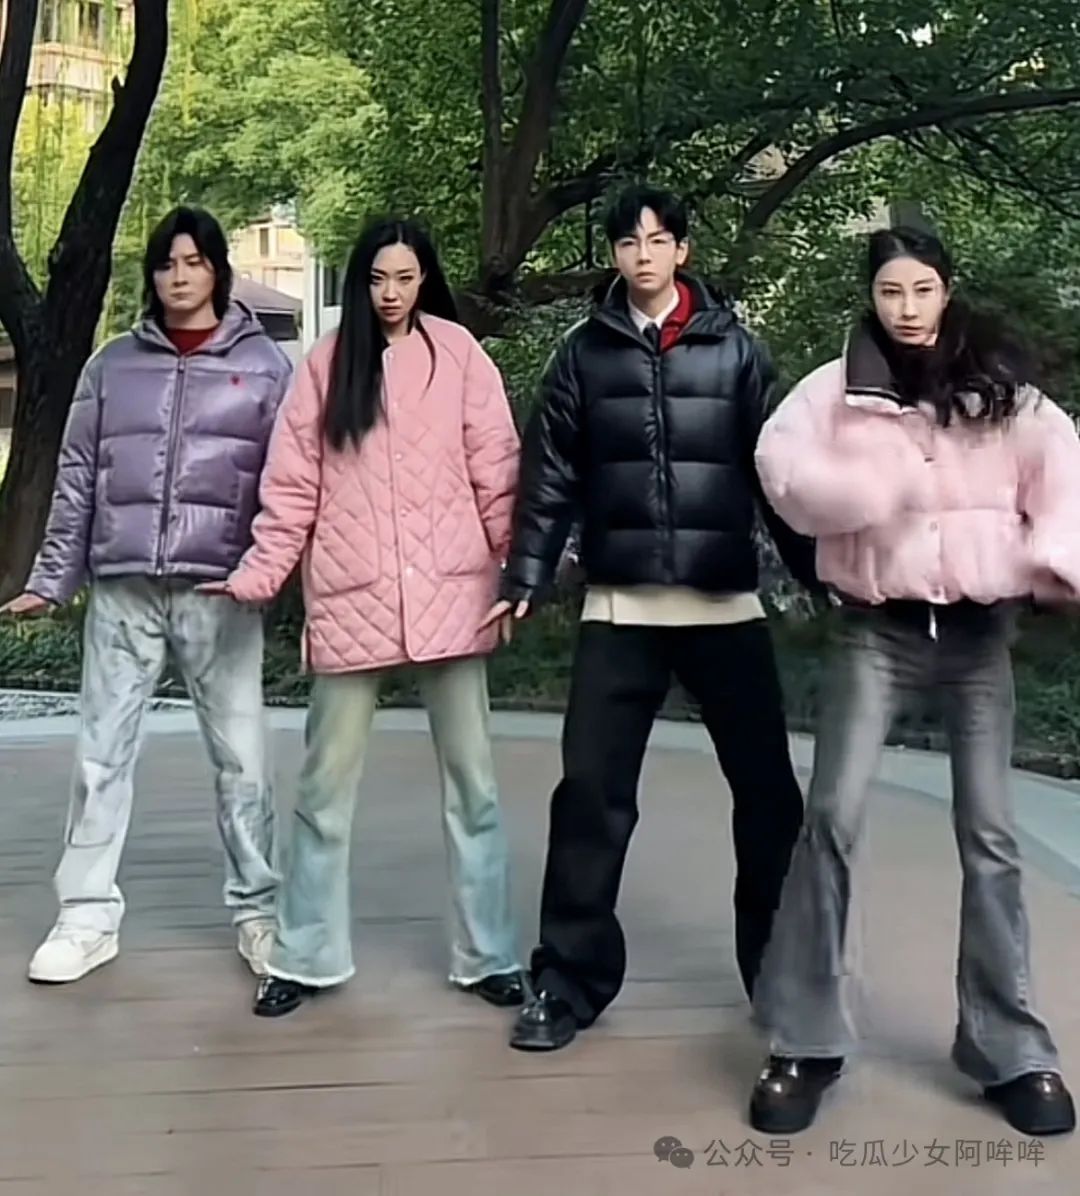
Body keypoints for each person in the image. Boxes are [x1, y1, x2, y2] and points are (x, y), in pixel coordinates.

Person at [747, 226, 1078, 1138]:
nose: (907, 309)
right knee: (832, 817)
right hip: (876, 631)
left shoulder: (999, 386)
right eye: (891, 292)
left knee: (992, 834)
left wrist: (1053, 559)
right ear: (872, 296)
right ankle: (805, 1041)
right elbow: (778, 464)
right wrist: (858, 497)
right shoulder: (834, 390)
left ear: (946, 289)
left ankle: (1010, 1049)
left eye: (922, 290)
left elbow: (1063, 471)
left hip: (978, 637)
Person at [482, 183, 820, 1052]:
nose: (643, 255)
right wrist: (526, 572)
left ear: (682, 251)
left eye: (658, 240)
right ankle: (568, 981)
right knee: (590, 798)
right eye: (628, 242)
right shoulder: (583, 356)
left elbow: (784, 477)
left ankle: (779, 974)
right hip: (620, 608)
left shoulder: (737, 352)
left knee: (768, 798)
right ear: (614, 255)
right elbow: (549, 475)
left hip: (724, 606)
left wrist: (825, 574)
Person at [203, 217, 525, 1018]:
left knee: (475, 788)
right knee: (323, 789)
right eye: (378, 279)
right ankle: (305, 954)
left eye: (405, 278)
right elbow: (292, 489)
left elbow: (498, 471)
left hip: (454, 596)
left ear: (425, 280)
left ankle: (489, 954)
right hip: (353, 601)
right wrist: (260, 575)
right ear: (360, 283)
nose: (391, 294)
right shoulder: (325, 364)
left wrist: (516, 572)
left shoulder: (460, 355)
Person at [2, 206, 292, 984]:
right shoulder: (112, 366)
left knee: (243, 762)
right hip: (124, 588)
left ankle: (260, 914)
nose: (179, 276)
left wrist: (270, 573)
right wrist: (52, 578)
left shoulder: (267, 369)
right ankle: (85, 916)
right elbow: (76, 477)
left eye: (194, 262)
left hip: (220, 592)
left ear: (218, 270)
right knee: (100, 757)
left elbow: (291, 486)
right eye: (167, 263)